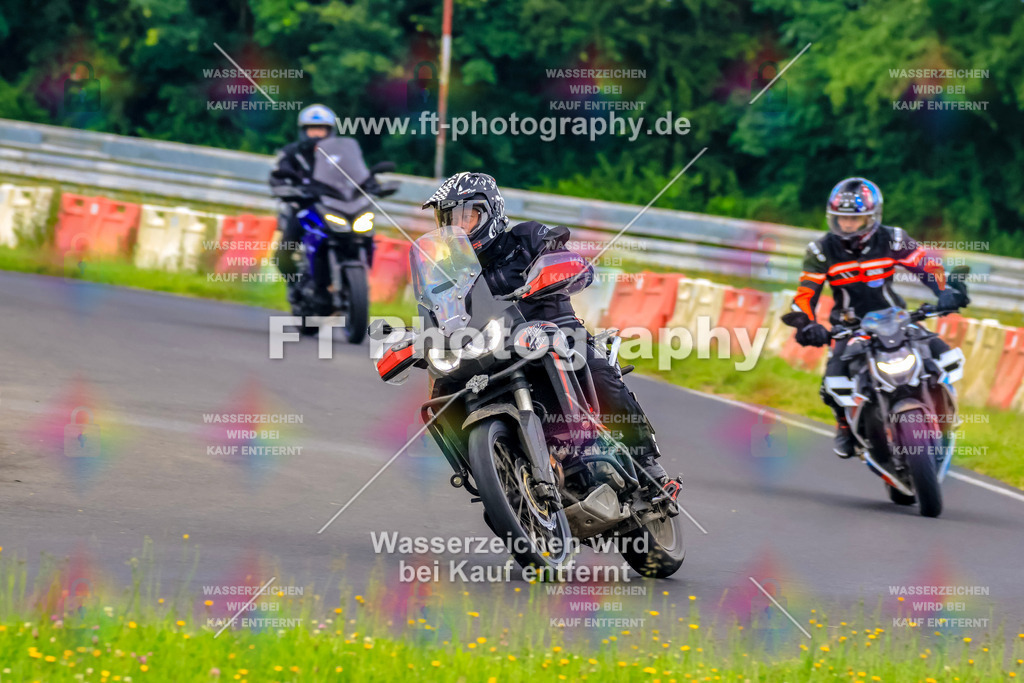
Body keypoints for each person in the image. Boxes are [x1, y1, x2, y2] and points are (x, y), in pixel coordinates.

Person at [421, 172, 669, 485]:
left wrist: (553, 269)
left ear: (489, 212)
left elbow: (575, 264)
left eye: (464, 217)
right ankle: (496, 476)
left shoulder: (526, 238)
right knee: (445, 389)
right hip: (492, 347)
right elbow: (436, 310)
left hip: (552, 327)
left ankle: (646, 460)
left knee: (592, 364)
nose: (454, 228)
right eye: (447, 221)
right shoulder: (451, 273)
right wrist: (417, 338)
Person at [781, 177, 968, 457]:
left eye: (854, 220)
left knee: (941, 355)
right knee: (832, 382)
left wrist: (946, 291)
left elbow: (927, 265)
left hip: (897, 318)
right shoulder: (820, 251)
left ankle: (944, 413)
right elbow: (806, 294)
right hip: (849, 327)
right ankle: (844, 426)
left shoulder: (892, 238)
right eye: (841, 219)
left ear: (872, 217)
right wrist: (806, 324)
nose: (846, 225)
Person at [268, 103, 337, 305]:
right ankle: (297, 286)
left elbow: (357, 175)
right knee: (283, 254)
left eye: (322, 129)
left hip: (336, 209)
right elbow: (277, 176)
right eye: (312, 129)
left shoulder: (340, 156)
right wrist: (285, 189)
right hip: (302, 208)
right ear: (303, 131)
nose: (317, 134)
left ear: (330, 131)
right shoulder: (291, 153)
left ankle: (346, 279)